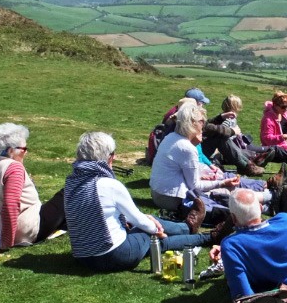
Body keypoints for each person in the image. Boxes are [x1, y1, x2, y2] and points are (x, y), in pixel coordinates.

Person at [64, 131, 215, 272]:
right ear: (108, 157)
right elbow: (137, 220)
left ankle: (187, 228)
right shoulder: (108, 184)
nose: (114, 158)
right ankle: (207, 236)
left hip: (83, 257)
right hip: (113, 254)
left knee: (149, 221)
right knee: (155, 238)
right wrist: (157, 231)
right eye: (113, 154)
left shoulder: (71, 183)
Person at [0, 123, 66, 249]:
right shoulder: (14, 169)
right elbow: (10, 207)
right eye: (24, 149)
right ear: (11, 151)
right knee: (67, 193)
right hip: (25, 232)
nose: (25, 153)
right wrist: (7, 241)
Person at [150, 102, 239, 213]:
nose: (204, 124)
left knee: (224, 188)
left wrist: (202, 175)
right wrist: (222, 183)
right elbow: (195, 186)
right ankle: (263, 201)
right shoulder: (187, 147)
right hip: (172, 199)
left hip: (157, 193)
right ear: (192, 123)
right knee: (226, 192)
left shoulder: (171, 137)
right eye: (201, 121)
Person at [201, 95, 267, 176]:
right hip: (202, 150)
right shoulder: (191, 119)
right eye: (201, 103)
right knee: (222, 137)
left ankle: (249, 163)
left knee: (224, 138)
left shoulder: (192, 117)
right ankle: (248, 164)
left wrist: (221, 117)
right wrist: (232, 131)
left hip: (207, 147)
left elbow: (207, 125)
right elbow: (209, 128)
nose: (203, 105)